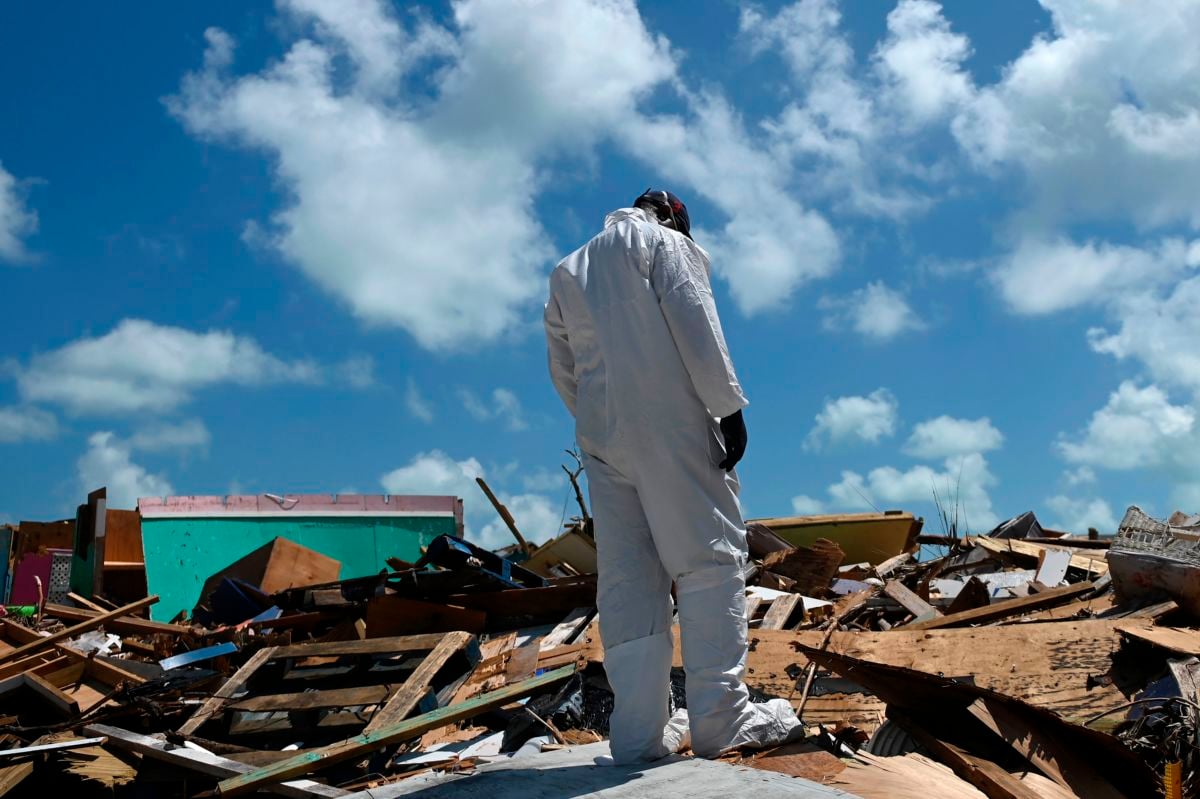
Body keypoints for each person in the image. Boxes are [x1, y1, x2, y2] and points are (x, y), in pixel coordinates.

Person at [543, 189, 800, 764]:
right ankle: (721, 720)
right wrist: (727, 405)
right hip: (673, 424)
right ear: (675, 219)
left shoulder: (568, 269)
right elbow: (695, 319)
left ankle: (637, 737)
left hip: (603, 437)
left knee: (630, 579)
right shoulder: (667, 246)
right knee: (709, 561)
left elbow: (563, 368)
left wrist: (602, 424)